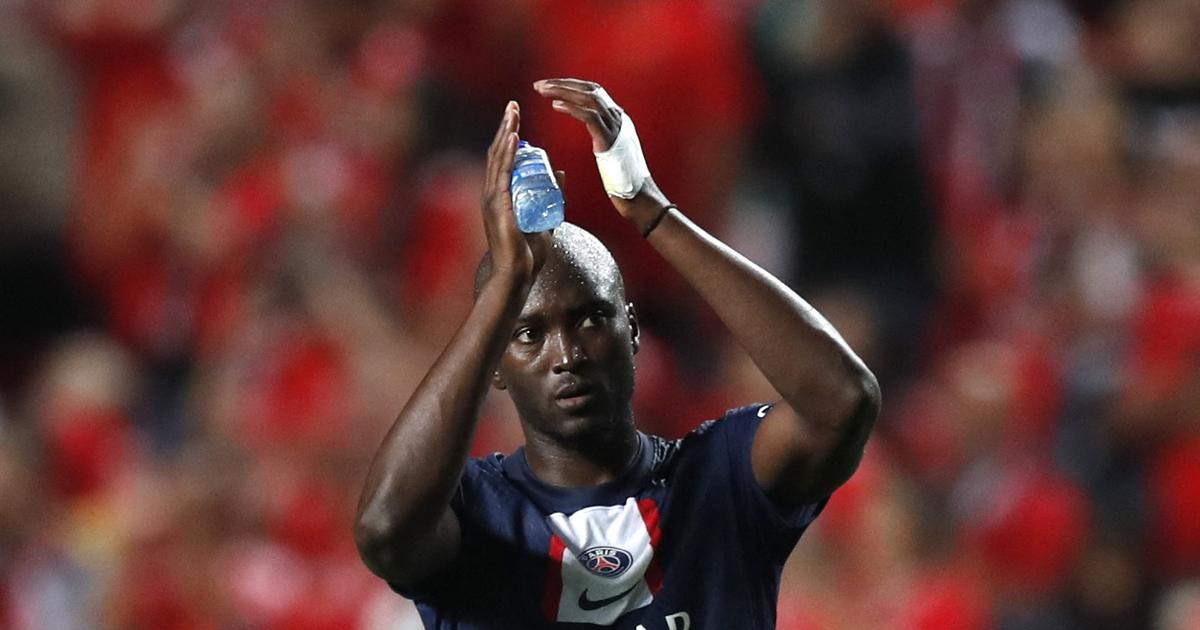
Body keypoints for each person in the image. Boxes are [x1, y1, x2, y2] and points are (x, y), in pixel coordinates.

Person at [354, 78, 881, 629]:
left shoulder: (718, 482)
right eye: (528, 335)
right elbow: (384, 529)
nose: (567, 354)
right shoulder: (477, 514)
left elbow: (842, 402)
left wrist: (653, 213)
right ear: (496, 367)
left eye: (589, 319)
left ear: (632, 330)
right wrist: (506, 282)